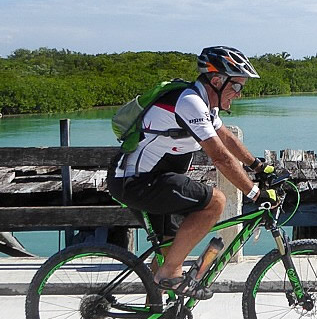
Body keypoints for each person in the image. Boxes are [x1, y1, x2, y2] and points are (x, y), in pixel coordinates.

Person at [107, 46, 272, 300]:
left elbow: (226, 138)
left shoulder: (204, 105)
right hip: (138, 182)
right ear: (217, 81)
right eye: (237, 86)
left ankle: (151, 318)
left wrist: (258, 166)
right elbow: (220, 157)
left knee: (168, 249)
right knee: (215, 201)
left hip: (148, 181)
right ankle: (171, 274)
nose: (239, 94)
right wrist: (254, 192)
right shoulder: (189, 102)